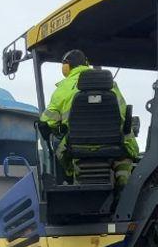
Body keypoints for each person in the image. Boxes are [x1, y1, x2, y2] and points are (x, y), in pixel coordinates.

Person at [39, 49, 139, 187]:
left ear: (66, 67)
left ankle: (71, 174)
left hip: (78, 147)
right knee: (125, 158)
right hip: (114, 144)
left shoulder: (62, 90)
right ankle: (124, 184)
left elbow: (47, 121)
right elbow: (123, 114)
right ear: (86, 64)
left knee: (58, 145)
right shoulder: (112, 86)